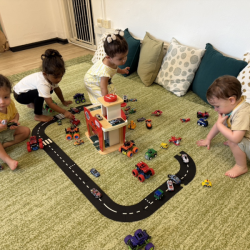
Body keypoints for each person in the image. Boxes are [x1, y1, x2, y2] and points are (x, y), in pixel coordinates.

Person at [196, 75, 250, 178]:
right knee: (231, 136)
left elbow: (235, 138)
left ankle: (241, 166)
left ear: (231, 100)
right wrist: (208, 139)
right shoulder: (232, 107)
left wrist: (220, 125)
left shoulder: (243, 112)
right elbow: (218, 125)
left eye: (217, 106)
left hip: (241, 138)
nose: (215, 110)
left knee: (233, 141)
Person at [13, 49, 74, 122]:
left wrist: (63, 101)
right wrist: (64, 112)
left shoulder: (50, 77)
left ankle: (32, 104)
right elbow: (50, 104)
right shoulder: (43, 83)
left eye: (61, 76)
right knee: (40, 93)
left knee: (49, 91)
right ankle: (38, 116)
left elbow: (57, 89)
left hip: (25, 91)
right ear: (45, 74)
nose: (59, 80)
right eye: (56, 77)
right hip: (20, 96)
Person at [84, 30, 130, 105]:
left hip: (101, 79)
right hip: (91, 82)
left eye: (125, 56)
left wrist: (122, 71)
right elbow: (103, 88)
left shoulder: (112, 60)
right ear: (108, 57)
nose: (124, 60)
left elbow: (114, 69)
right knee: (102, 99)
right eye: (120, 59)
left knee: (112, 92)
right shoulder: (105, 72)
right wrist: (107, 102)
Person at [0, 74, 30, 170]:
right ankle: (8, 160)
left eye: (6, 97)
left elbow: (16, 114)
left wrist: (15, 121)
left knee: (26, 131)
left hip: (6, 131)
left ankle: (3, 146)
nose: (2, 102)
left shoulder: (10, 104)